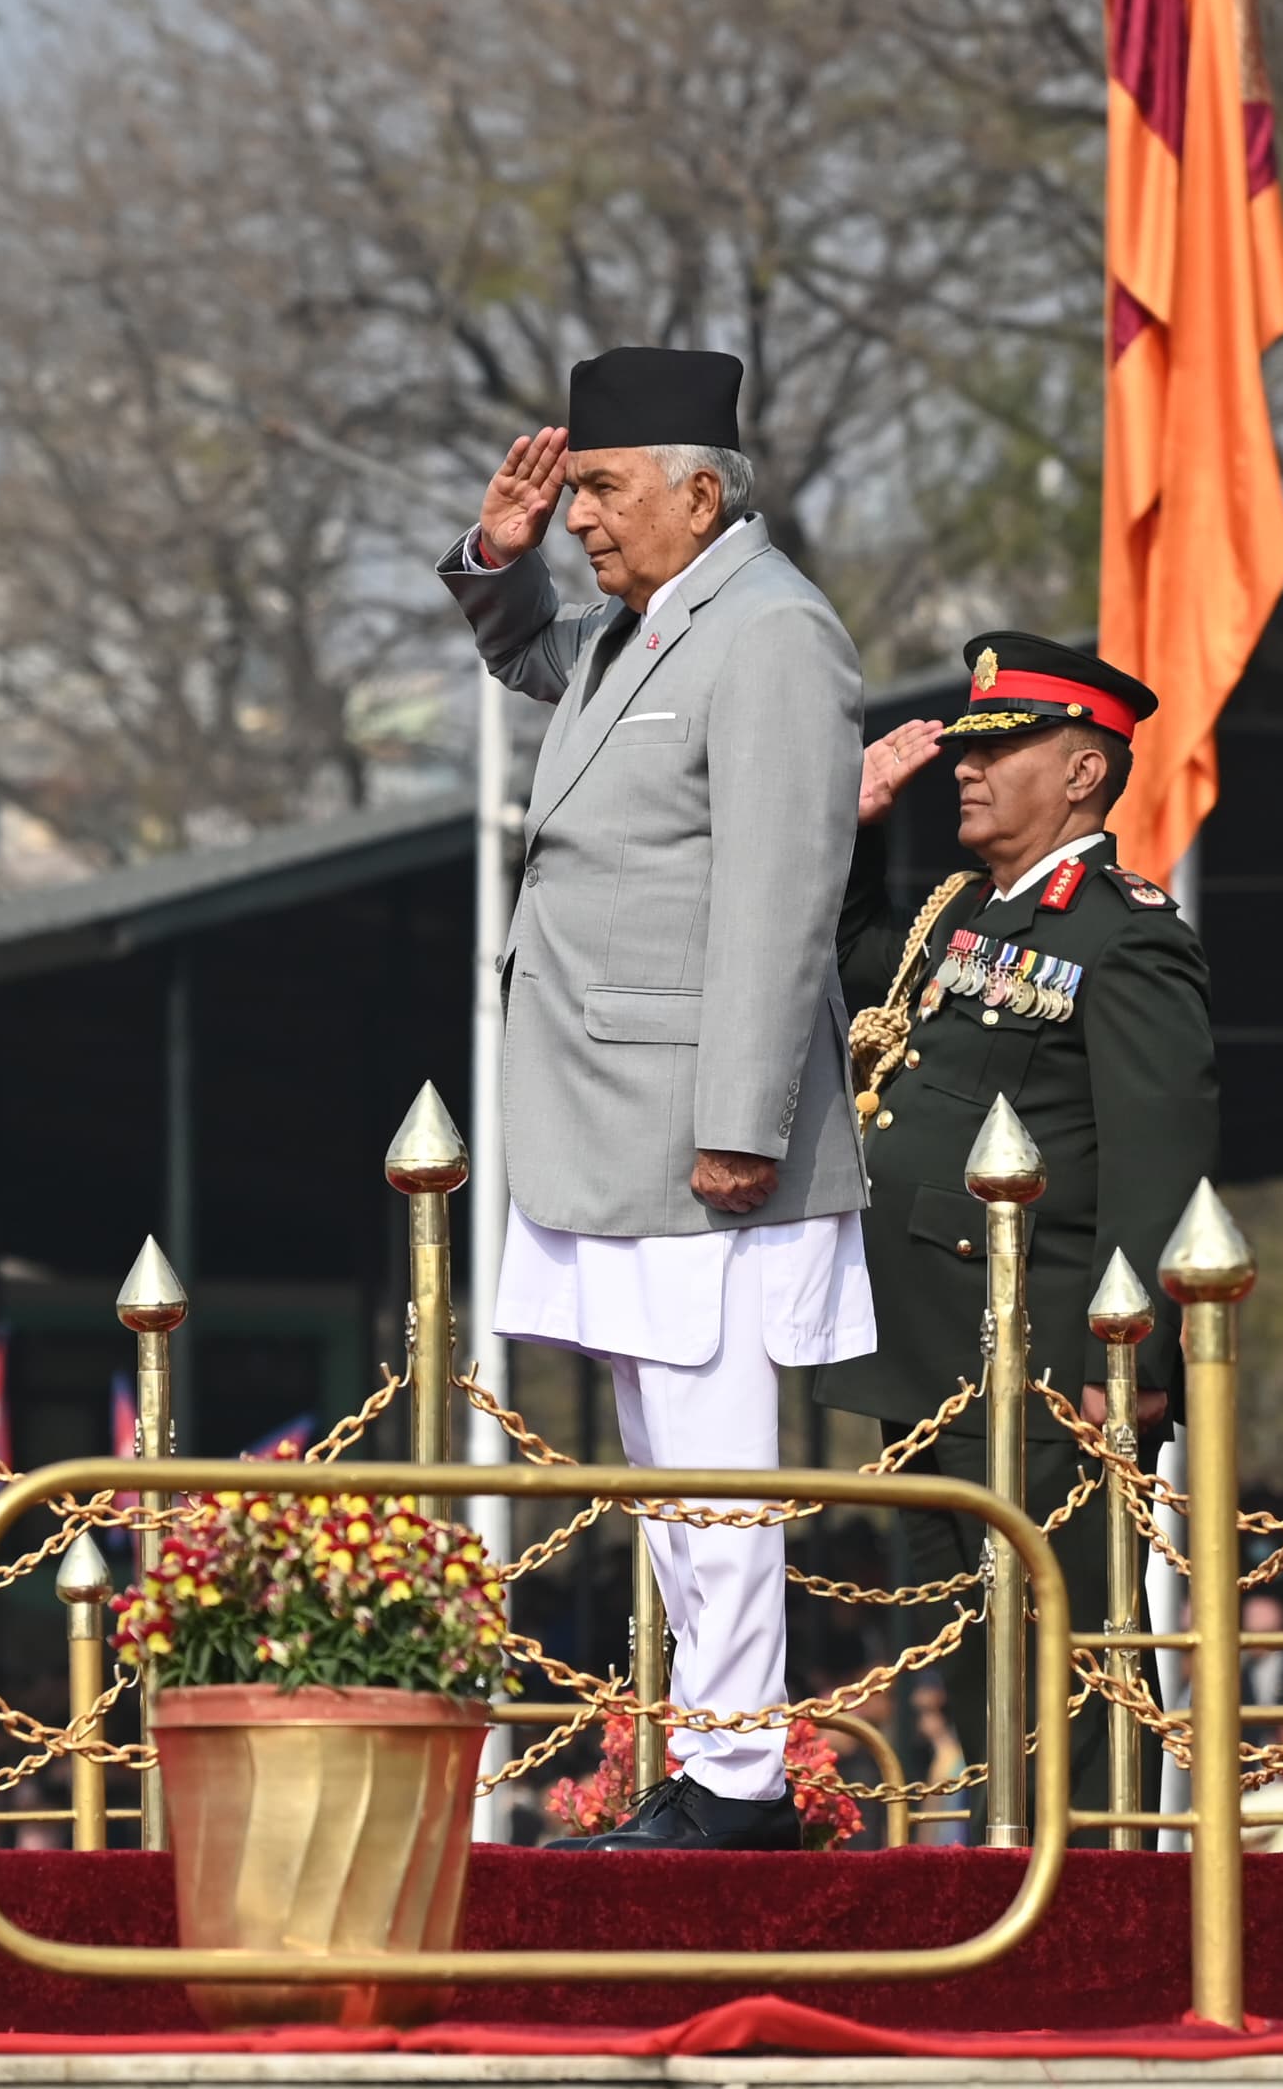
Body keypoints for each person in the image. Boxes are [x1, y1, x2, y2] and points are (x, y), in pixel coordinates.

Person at [442, 346, 871, 1853]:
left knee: (714, 1464)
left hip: (695, 1126)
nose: (582, 521)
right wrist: (493, 555)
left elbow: (780, 891)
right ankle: (710, 1757)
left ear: (702, 490)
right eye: (574, 498)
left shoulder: (767, 634)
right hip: (616, 1119)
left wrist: (744, 1116)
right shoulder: (651, 626)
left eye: (606, 491)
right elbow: (532, 652)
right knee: (670, 1472)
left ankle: (742, 1778)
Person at [821, 631, 1216, 1786]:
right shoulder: (966, 915)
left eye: (1003, 745)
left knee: (1068, 1646)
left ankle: (1091, 1895)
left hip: (1047, 1364)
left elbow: (1160, 1152)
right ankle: (1011, 1873)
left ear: (1083, 771)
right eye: (968, 746)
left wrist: (1128, 1351)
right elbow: (848, 950)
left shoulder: (1122, 929)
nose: (967, 764)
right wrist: (857, 824)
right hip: (930, 1352)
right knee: (970, 1643)